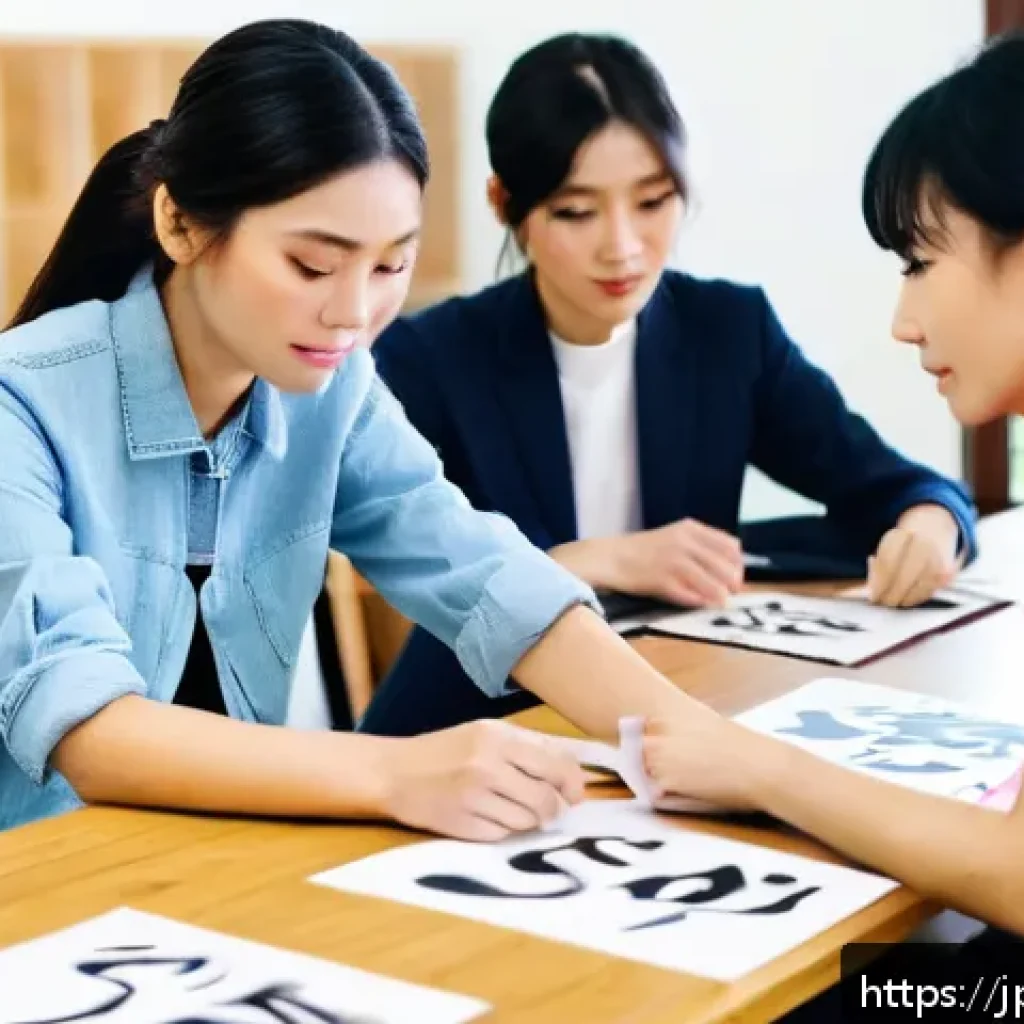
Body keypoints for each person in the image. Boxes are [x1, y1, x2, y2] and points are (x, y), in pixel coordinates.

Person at [0, 19, 717, 837]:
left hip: (205, 871)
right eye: (312, 265)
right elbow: (90, 731)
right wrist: (397, 769)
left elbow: (484, 573)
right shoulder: (17, 405)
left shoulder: (333, 391)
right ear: (181, 226)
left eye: (389, 266)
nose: (354, 314)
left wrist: (695, 740)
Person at [360, 33, 976, 737]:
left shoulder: (729, 332)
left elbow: (894, 484)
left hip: (684, 706)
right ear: (505, 204)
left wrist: (931, 525)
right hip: (485, 726)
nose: (622, 246)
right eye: (576, 212)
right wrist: (595, 560)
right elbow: (415, 572)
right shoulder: (430, 357)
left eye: (653, 202)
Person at [644, 30, 1024, 940]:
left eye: (921, 264)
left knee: (866, 993)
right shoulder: (441, 349)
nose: (902, 319)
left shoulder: (726, 328)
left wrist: (762, 769)